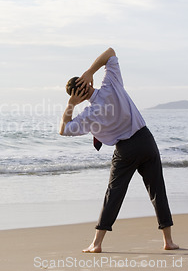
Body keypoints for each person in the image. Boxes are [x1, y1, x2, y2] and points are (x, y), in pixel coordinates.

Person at [59, 47, 179, 253]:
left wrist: (70, 104)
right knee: (157, 190)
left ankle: (96, 243)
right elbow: (110, 52)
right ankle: (168, 241)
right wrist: (90, 71)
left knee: (113, 195)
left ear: (77, 97)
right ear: (89, 83)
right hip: (146, 140)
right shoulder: (110, 84)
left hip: (125, 150)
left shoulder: (88, 115)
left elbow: (63, 130)